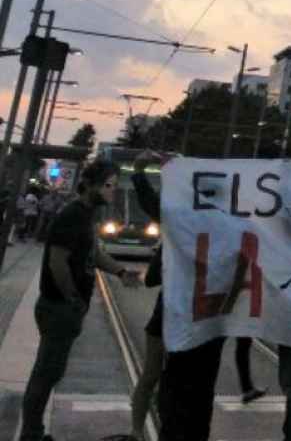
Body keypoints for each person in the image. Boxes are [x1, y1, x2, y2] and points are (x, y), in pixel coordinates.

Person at [19, 159, 142, 441]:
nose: (113, 191)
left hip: (65, 308)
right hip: (59, 308)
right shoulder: (72, 215)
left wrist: (121, 271)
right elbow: (57, 261)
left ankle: (33, 433)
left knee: (50, 372)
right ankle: (31, 435)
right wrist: (72, 298)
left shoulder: (85, 216)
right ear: (92, 185)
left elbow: (94, 255)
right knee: (46, 374)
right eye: (109, 185)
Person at [126, 152, 168, 441]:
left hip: (166, 317)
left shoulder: (179, 230)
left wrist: (140, 170)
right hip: (201, 321)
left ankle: (137, 431)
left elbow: (152, 279)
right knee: (180, 381)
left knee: (149, 375)